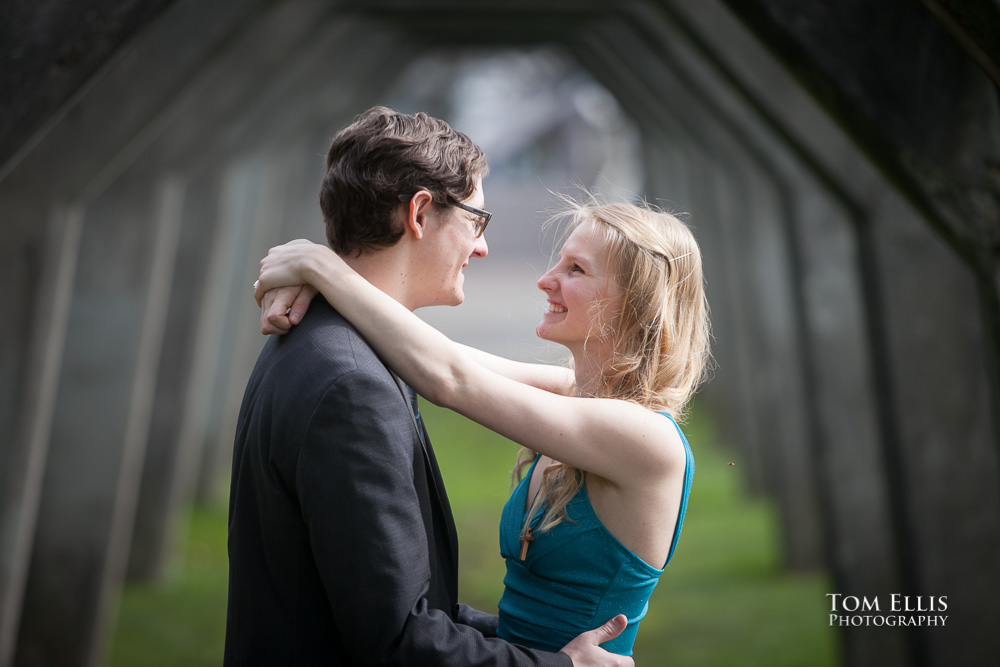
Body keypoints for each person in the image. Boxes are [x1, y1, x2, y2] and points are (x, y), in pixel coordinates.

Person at [225, 106, 632, 667]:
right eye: (476, 221)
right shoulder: (352, 384)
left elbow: (383, 605)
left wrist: (538, 637)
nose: (482, 247)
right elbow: (398, 642)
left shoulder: (328, 344)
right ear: (419, 212)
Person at [254, 194, 712, 659]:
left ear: (637, 302)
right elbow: (432, 351)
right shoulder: (577, 398)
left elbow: (450, 378)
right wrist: (323, 286)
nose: (545, 280)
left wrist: (320, 266)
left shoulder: (644, 438)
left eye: (576, 269)